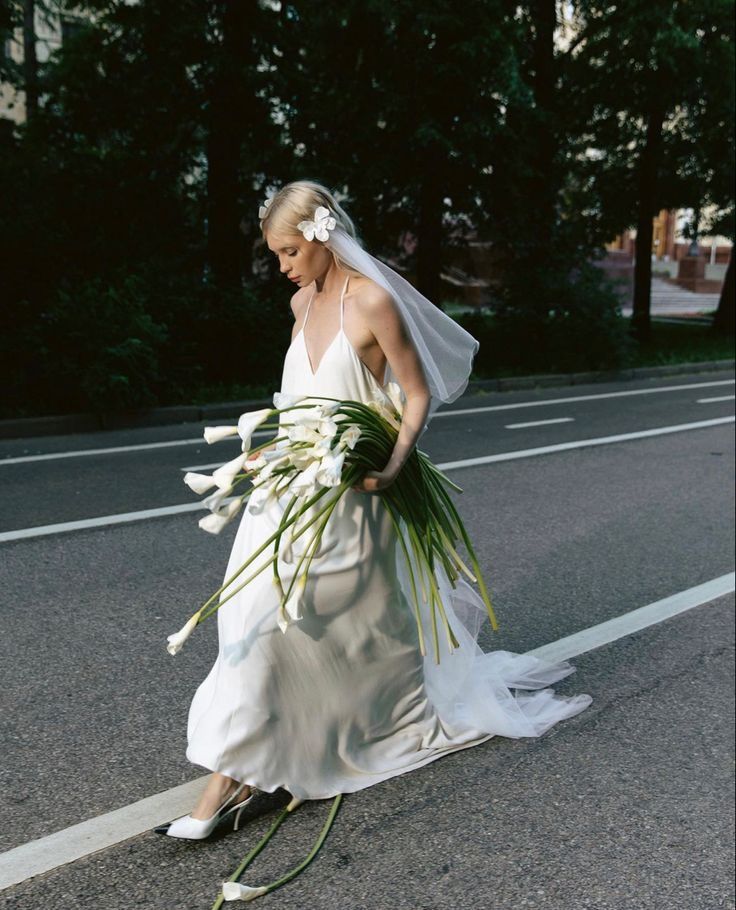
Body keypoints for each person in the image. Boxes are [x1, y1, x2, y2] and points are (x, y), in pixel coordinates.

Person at [156, 180, 592, 840]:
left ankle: (227, 787)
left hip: (349, 501)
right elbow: (300, 404)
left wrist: (390, 463)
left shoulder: (374, 303)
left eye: (289, 253)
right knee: (250, 626)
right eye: (276, 255)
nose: (283, 268)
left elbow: (414, 394)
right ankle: (246, 769)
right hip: (286, 498)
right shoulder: (301, 304)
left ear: (322, 237)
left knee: (303, 632)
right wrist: (265, 451)